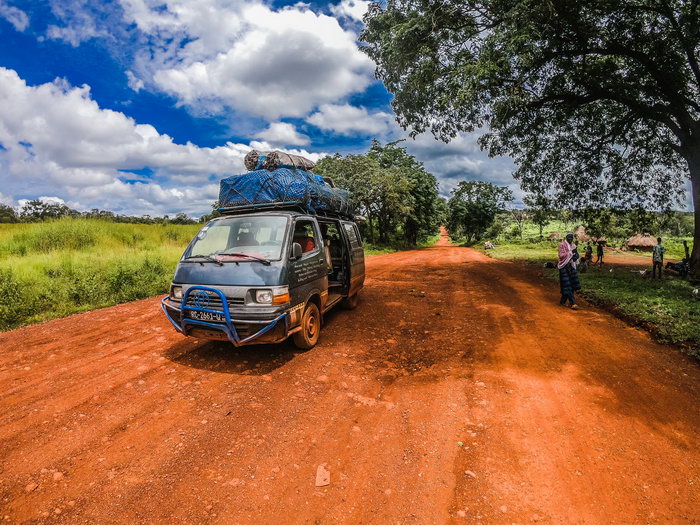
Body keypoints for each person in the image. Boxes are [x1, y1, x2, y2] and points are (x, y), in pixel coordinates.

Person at [558, 232, 581, 309]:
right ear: (566, 237)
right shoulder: (562, 245)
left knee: (572, 285)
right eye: (569, 237)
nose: (570, 239)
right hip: (564, 267)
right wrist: (571, 253)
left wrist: (575, 256)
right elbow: (561, 256)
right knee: (567, 285)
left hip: (571, 267)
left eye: (571, 237)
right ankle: (573, 303)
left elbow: (577, 255)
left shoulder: (574, 245)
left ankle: (562, 301)